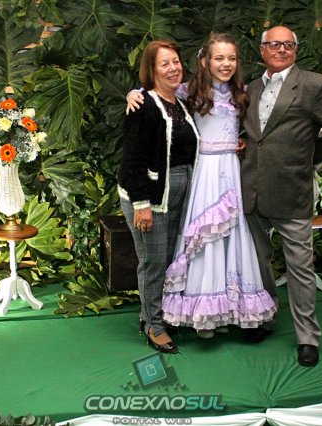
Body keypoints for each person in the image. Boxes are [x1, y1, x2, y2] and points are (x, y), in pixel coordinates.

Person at [127, 33, 277, 340]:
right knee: (202, 240)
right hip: (203, 174)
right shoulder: (189, 91)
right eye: (218, 58)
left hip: (230, 172)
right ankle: (203, 315)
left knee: (232, 239)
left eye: (231, 58)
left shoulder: (242, 93)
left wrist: (240, 143)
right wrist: (133, 93)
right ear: (205, 61)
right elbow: (155, 92)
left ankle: (231, 311)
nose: (226, 64)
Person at [241, 25, 322, 366]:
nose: (281, 50)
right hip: (251, 190)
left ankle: (307, 337)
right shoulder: (251, 88)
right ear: (262, 50)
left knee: (300, 268)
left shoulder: (313, 85)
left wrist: (310, 160)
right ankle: (265, 317)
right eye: (274, 44)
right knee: (257, 262)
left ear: (295, 50)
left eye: (288, 45)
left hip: (291, 192)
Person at [119, 40, 200, 354]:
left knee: (167, 259)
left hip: (178, 191)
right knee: (153, 261)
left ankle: (150, 314)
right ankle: (154, 325)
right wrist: (142, 205)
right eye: (164, 64)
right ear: (151, 70)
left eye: (176, 61)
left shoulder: (181, 103)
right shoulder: (142, 105)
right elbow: (132, 160)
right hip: (149, 196)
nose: (173, 68)